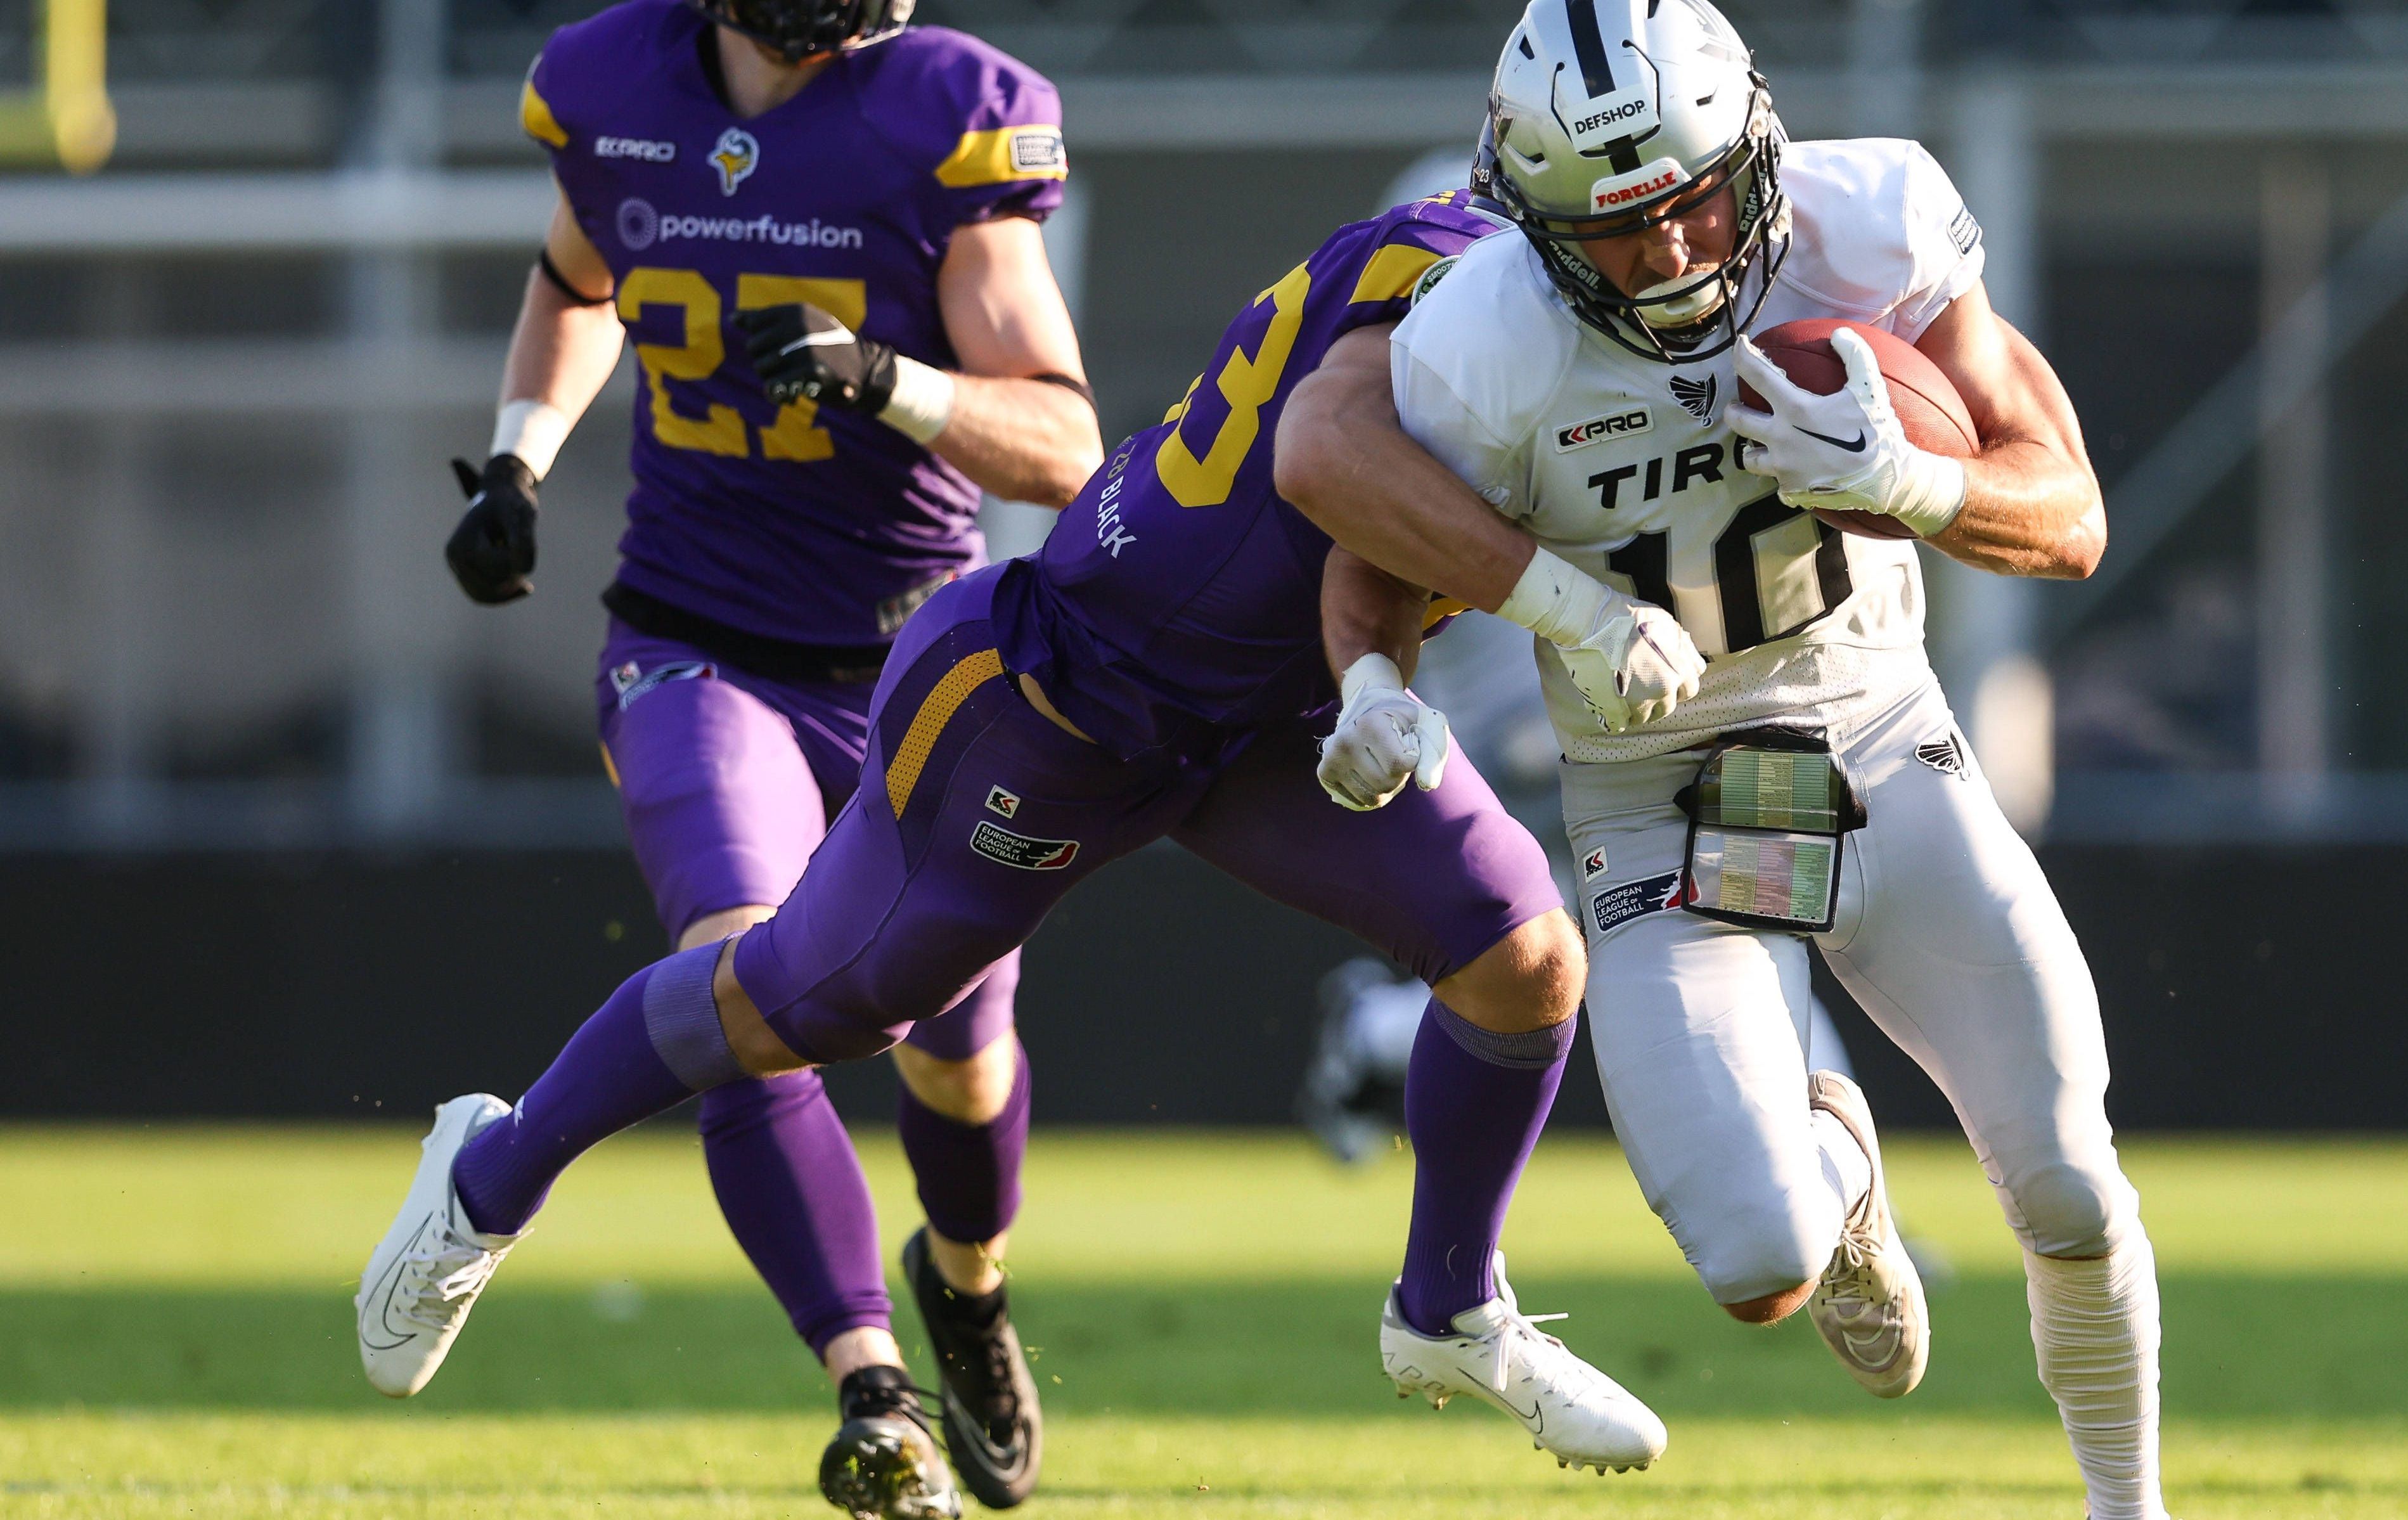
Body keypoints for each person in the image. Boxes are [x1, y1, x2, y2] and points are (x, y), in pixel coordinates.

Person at [361, 189, 1675, 1514]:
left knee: (1520, 955)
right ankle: (487, 1172)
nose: (1680, 254)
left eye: (1701, 209)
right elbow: (1328, 462)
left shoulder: (1635, 315)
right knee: (796, 1007)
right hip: (1057, 695)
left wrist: (1374, 678)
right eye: (1646, 216)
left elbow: (1374, 544)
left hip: (1271, 717)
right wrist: (1563, 611)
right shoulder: (1460, 289)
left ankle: (1448, 1300)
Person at [1285, 4, 2171, 1516]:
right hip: (1657, 795)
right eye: (1614, 230)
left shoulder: (1869, 218)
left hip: (1879, 729)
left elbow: (2067, 509)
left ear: (1754, 142)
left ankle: (2125, 1504)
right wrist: (1370, 680)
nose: (1672, 253)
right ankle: (1840, 1162)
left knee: (2068, 1183)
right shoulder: (1483, 336)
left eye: (1694, 197)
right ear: (1531, 217)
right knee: (1760, 1263)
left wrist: (1912, 478)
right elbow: (1365, 549)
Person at [423, 0, 1100, 1509]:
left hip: (920, 669)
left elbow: (1065, 446)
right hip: (691, 637)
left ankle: (966, 1284)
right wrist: (521, 453)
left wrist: (886, 380)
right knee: (748, 983)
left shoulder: (942, 111)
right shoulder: (613, 82)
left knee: (958, 1060)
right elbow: (576, 276)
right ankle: (871, 1388)